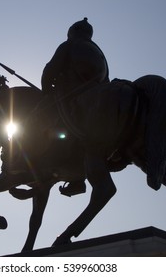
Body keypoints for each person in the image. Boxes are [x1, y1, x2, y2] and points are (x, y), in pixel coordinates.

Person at [41, 18, 110, 196]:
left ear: (72, 31)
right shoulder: (98, 52)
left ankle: (47, 169)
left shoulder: (69, 45)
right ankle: (77, 178)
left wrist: (46, 93)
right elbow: (105, 81)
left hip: (71, 98)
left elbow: (50, 71)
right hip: (97, 100)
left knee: (47, 127)